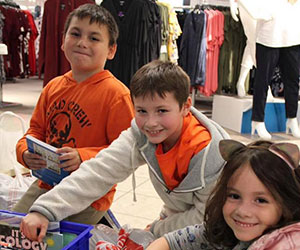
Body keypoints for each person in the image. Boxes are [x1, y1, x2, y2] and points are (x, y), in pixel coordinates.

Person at [20, 59, 230, 242]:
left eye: (162, 111)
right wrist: (46, 209)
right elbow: (98, 172)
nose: (151, 122)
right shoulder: (141, 134)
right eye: (141, 111)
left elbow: (206, 217)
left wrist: (157, 230)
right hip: (177, 216)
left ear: (186, 107)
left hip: (217, 229)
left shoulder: (208, 153)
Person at [13, 4, 134, 225]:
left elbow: (127, 154)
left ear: (111, 50)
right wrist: (25, 153)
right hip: (46, 184)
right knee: (12, 229)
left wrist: (82, 156)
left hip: (89, 193)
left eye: (94, 38)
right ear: (63, 40)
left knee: (59, 238)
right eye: (75, 34)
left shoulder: (116, 95)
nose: (82, 43)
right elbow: (35, 132)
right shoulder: (53, 87)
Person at [146, 139, 300, 250]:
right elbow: (173, 241)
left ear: (287, 202)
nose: (242, 211)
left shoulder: (287, 243)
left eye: (260, 200)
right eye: (234, 196)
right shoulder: (222, 230)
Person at [237, 0, 300, 139]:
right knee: (262, 80)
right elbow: (256, 9)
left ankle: (292, 118)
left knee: (292, 80)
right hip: (268, 36)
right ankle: (257, 120)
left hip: (293, 36)